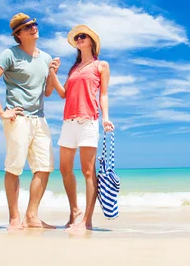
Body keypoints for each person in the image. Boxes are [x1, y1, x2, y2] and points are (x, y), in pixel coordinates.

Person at [0, 13, 58, 231]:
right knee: (14, 168)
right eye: (27, 27)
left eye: (34, 24)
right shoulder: (10, 54)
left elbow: (48, 92)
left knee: (44, 167)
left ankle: (32, 217)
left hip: (40, 118)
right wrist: (1, 112)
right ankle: (14, 219)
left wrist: (52, 71)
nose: (33, 28)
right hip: (18, 118)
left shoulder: (45, 57)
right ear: (18, 34)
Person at [48, 24, 115, 232]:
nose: (78, 39)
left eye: (82, 36)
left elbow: (103, 94)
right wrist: (52, 73)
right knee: (65, 169)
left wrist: (106, 118)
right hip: (68, 122)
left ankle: (87, 221)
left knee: (88, 171)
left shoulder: (101, 65)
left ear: (92, 41)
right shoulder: (74, 68)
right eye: (76, 37)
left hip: (88, 121)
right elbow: (62, 93)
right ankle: (74, 212)